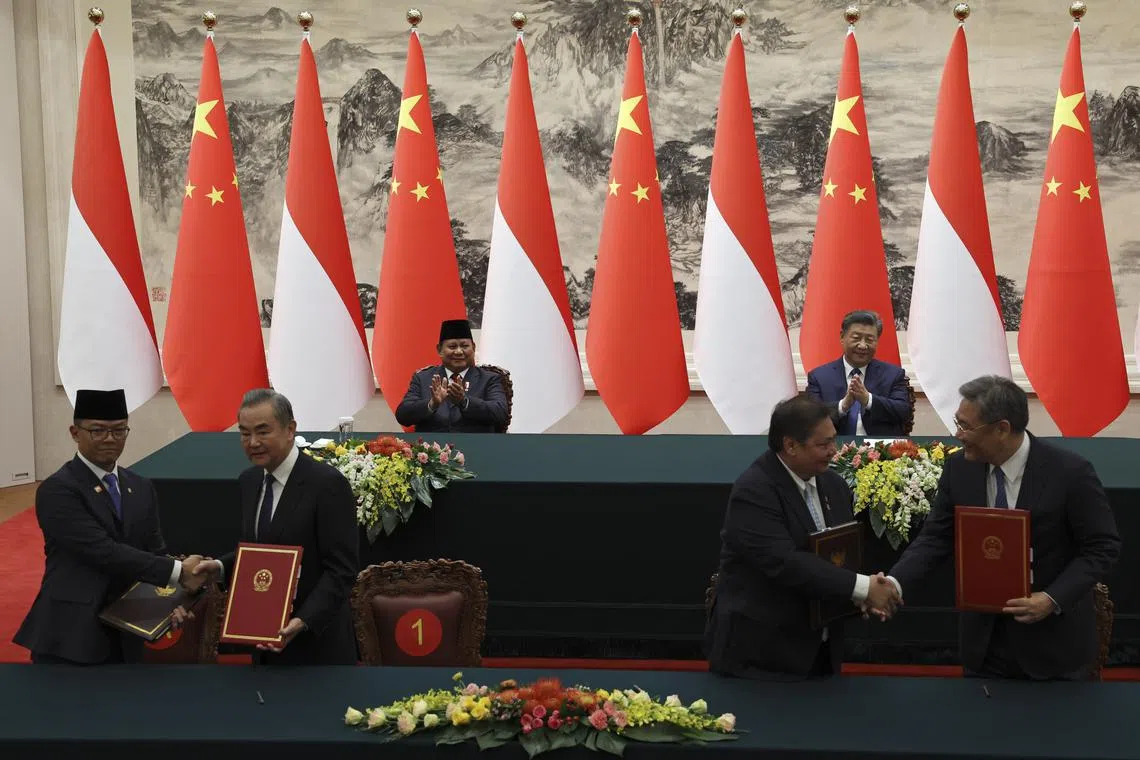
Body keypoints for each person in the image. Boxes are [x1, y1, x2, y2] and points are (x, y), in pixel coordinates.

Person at [887, 376, 1121, 680]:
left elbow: (1102, 547)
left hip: (1053, 648)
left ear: (1002, 429)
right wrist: (894, 582)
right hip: (983, 647)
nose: (958, 435)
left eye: (966, 427)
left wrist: (1051, 599)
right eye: (957, 423)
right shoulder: (959, 469)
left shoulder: (1070, 473)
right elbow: (935, 538)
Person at [705, 395, 898, 680]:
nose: (834, 451)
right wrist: (861, 588)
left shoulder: (834, 484)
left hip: (819, 653)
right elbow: (785, 562)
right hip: (761, 661)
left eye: (834, 440)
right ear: (791, 445)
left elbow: (839, 556)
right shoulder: (754, 490)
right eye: (823, 445)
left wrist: (860, 597)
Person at [14, 389, 205, 665]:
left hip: (131, 626)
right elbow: (101, 551)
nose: (109, 440)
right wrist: (178, 572)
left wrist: (173, 601)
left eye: (119, 431)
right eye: (98, 431)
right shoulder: (58, 489)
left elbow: (155, 550)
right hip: (71, 631)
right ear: (75, 432)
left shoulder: (140, 487)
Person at [194, 389, 359, 665]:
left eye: (262, 432)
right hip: (264, 644)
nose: (253, 442)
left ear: (290, 429)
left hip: (317, 647)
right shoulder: (249, 481)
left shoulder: (326, 484)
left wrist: (303, 620)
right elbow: (263, 553)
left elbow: (342, 569)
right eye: (244, 434)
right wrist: (221, 567)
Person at [806, 310, 912, 436]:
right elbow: (810, 418)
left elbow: (903, 411)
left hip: (882, 451)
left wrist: (868, 400)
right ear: (842, 337)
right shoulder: (819, 377)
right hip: (833, 450)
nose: (862, 345)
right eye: (856, 338)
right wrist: (843, 406)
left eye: (869, 339)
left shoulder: (893, 374)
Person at [395, 319, 509, 433]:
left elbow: (500, 413)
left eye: (464, 346)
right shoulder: (423, 378)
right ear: (439, 350)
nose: (459, 351)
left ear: (473, 348)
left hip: (478, 447)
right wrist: (432, 404)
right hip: (432, 447)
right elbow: (403, 415)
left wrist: (465, 402)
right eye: (452, 347)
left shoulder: (490, 378)